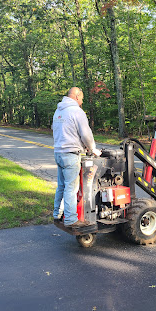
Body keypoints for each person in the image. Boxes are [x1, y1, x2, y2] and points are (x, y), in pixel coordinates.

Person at [52, 87, 101, 228]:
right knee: (71, 188)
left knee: (61, 186)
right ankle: (71, 219)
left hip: (59, 153)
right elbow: (86, 134)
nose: (82, 102)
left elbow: (62, 131)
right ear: (77, 96)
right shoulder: (76, 111)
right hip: (70, 155)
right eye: (82, 99)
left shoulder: (58, 111)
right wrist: (92, 149)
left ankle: (57, 214)